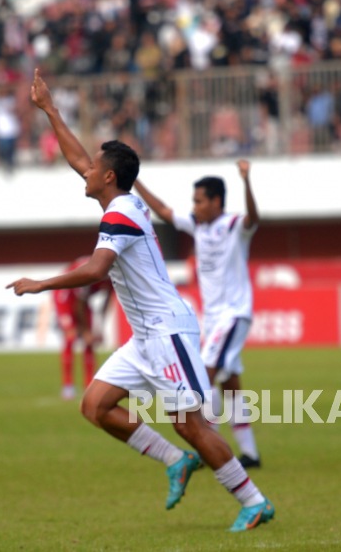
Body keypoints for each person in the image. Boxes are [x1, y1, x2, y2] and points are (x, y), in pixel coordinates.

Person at [7, 70, 273, 532]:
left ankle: (253, 501)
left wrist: (41, 284)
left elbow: (95, 270)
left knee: (192, 424)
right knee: (95, 405)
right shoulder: (116, 202)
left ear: (107, 177)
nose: (82, 171)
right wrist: (49, 110)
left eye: (91, 168)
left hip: (169, 333)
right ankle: (175, 462)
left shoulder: (123, 212)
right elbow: (76, 158)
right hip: (146, 337)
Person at [134, 161, 263, 469]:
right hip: (216, 317)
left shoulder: (233, 226)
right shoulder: (198, 225)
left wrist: (246, 182)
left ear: (216, 201)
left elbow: (254, 217)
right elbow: (164, 211)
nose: (194, 206)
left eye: (199, 200)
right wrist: (134, 180)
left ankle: (208, 445)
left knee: (201, 377)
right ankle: (250, 454)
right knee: (229, 381)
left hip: (233, 314)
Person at [53, 256, 113, 400]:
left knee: (90, 342)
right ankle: (68, 385)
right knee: (71, 337)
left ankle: (89, 384)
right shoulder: (90, 272)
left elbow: (106, 302)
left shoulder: (113, 275)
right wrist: (85, 331)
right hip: (65, 295)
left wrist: (100, 329)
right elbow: (78, 304)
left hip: (82, 301)